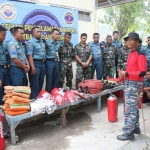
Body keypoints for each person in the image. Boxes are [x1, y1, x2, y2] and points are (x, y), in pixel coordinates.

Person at [117, 32, 147, 141]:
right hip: (130, 82)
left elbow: (142, 72)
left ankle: (128, 132)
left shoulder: (140, 54)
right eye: (127, 39)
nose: (128, 41)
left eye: (131, 39)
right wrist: (124, 74)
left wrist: (127, 74)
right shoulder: (131, 53)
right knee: (133, 106)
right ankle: (135, 127)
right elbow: (133, 70)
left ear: (138, 42)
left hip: (135, 84)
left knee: (130, 108)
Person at [26, 27, 46, 99]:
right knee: (35, 85)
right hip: (35, 64)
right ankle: (34, 100)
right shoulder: (30, 42)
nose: (40, 33)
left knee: (41, 83)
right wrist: (33, 67)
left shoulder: (41, 41)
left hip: (42, 64)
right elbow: (29, 55)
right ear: (33, 33)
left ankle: (39, 100)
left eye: (40, 31)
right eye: (38, 32)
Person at [45, 28, 60, 92]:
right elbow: (44, 52)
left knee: (56, 78)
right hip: (49, 61)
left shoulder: (59, 43)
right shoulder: (47, 42)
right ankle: (48, 93)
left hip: (56, 61)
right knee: (49, 78)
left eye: (58, 34)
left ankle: (55, 92)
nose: (57, 35)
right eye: (56, 34)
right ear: (51, 34)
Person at [0, 25, 10, 105]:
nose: (4, 37)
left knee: (8, 89)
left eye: (5, 35)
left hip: (5, 69)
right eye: (3, 35)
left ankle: (6, 108)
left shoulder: (4, 44)